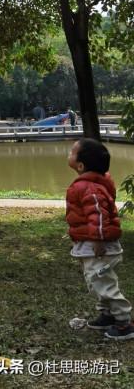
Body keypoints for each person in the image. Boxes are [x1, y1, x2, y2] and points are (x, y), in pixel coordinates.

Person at [66, 138, 134, 340]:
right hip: (92, 243)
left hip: (100, 245)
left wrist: (97, 239)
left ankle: (124, 323)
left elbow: (98, 214)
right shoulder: (89, 184)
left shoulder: (89, 187)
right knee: (96, 281)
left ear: (80, 165)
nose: (68, 153)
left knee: (103, 282)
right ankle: (107, 314)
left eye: (72, 151)